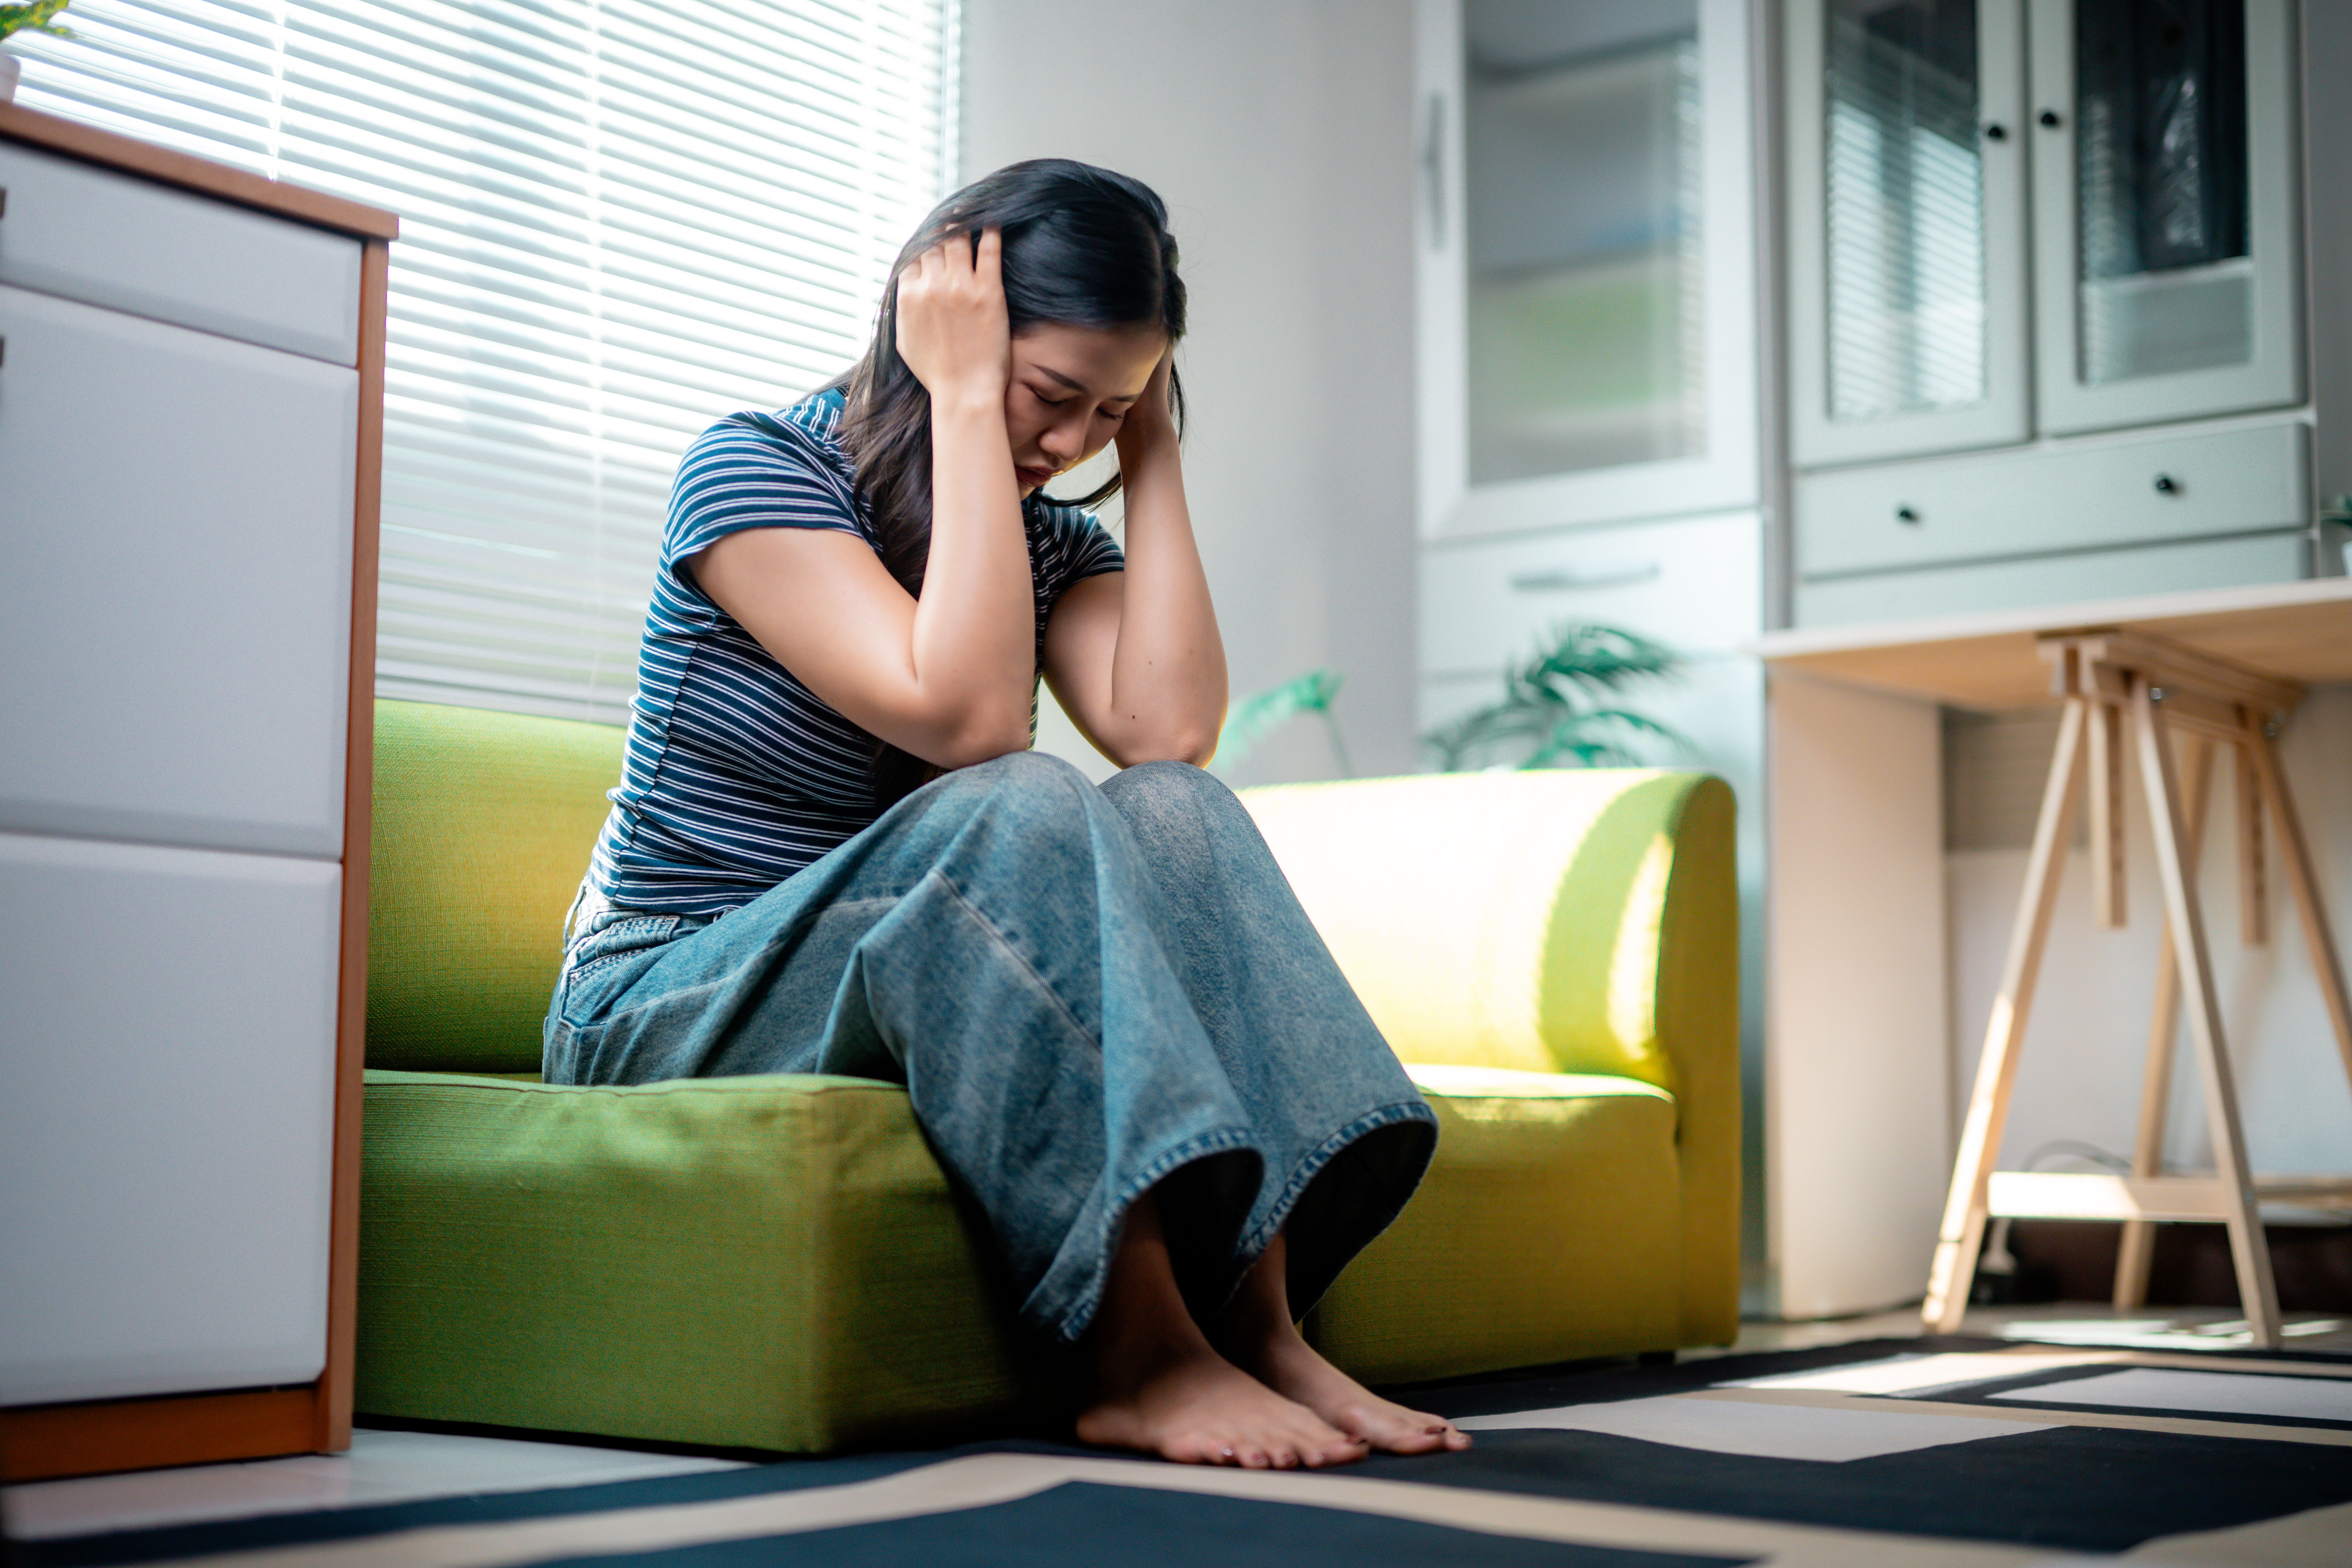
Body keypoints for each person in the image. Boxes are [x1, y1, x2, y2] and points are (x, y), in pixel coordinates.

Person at [544, 158, 1469, 1469]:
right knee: (1020, 794)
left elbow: (1168, 733)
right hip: (665, 989)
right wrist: (972, 401)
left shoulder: (1036, 539)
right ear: (950, 331)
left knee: (1175, 811)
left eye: (1112, 410)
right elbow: (968, 719)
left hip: (873, 978)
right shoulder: (754, 471)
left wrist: (1155, 456)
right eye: (1054, 395)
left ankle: (1261, 1323)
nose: (1068, 443)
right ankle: (1139, 1354)